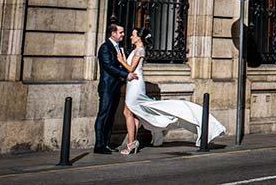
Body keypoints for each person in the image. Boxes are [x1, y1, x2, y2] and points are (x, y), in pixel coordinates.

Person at [116, 27, 226, 153]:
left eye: (133, 35)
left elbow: (130, 68)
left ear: (139, 38)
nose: (131, 37)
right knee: (134, 113)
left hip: (135, 85)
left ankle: (131, 144)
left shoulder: (140, 50)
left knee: (128, 112)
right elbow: (130, 67)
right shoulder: (136, 49)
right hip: (132, 84)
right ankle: (132, 143)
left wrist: (120, 60)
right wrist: (123, 57)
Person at [95, 22, 138, 154]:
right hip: (107, 88)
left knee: (110, 116)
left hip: (115, 87)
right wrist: (126, 75)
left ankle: (106, 143)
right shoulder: (105, 48)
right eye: (120, 32)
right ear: (112, 33)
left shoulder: (119, 47)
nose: (123, 35)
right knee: (103, 115)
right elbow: (109, 67)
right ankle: (99, 145)